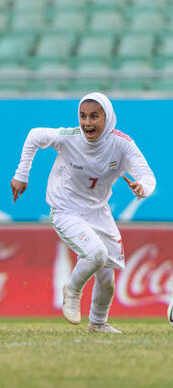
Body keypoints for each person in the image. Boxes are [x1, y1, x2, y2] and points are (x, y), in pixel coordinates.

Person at [11, 92, 156, 333]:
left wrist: (144, 188)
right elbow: (34, 135)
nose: (87, 123)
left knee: (107, 277)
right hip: (65, 208)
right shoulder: (69, 137)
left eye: (94, 117)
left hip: (99, 211)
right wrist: (21, 174)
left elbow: (147, 175)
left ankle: (98, 324)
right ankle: (72, 290)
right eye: (83, 116)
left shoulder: (122, 144)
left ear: (107, 118)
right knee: (95, 253)